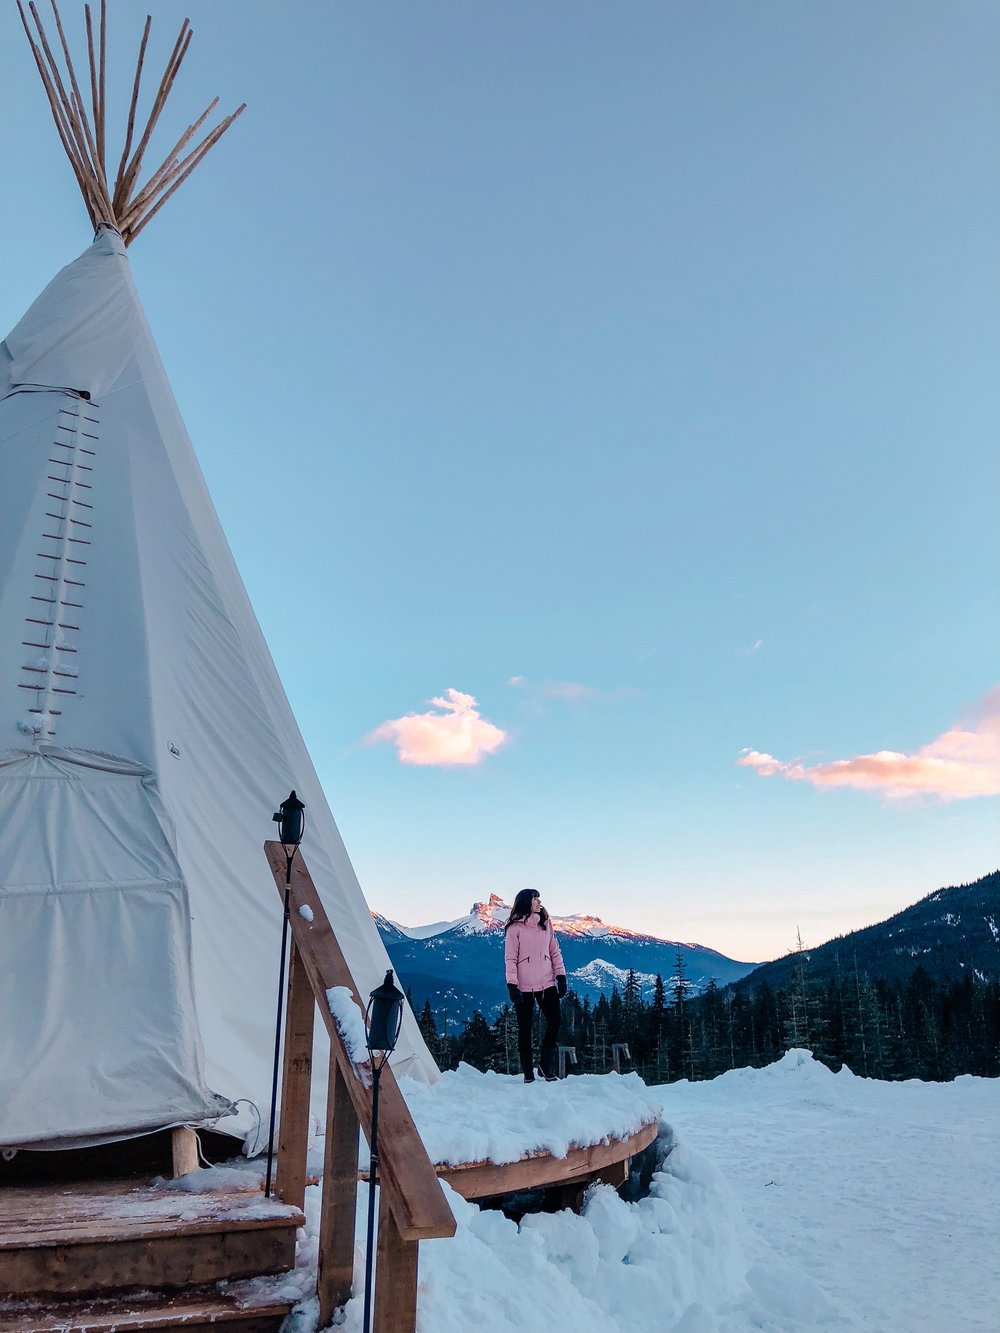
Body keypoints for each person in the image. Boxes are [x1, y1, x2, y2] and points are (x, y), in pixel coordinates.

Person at [504, 889, 567, 1082]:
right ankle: (528, 1074)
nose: (539, 902)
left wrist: (561, 976)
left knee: (555, 1021)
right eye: (535, 899)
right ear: (526, 903)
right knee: (525, 1029)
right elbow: (510, 958)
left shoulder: (545, 923)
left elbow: (554, 951)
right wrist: (512, 985)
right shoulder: (514, 929)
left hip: (547, 983)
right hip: (524, 987)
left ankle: (544, 1067)